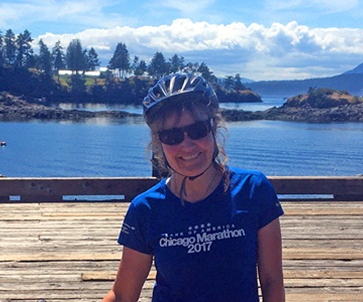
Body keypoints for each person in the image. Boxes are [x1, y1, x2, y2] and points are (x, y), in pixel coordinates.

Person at [102, 72, 285, 302]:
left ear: (214, 126)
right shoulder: (145, 209)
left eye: (197, 130)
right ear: (158, 142)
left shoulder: (253, 190)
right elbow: (122, 295)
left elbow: (272, 281)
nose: (187, 146)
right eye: (172, 136)